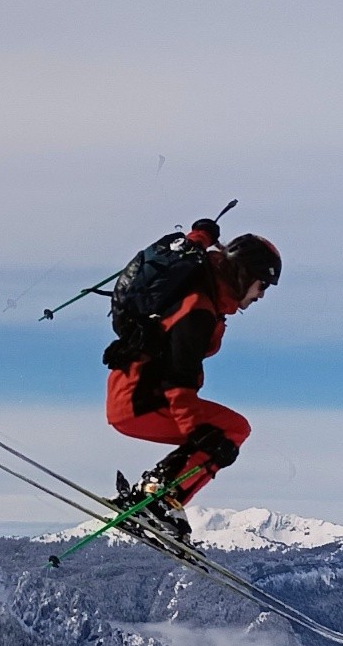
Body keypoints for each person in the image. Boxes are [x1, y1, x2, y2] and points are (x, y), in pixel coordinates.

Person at [104, 225, 281, 541]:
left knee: (226, 432)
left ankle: (157, 497)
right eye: (262, 283)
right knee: (231, 430)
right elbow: (179, 379)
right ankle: (159, 502)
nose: (262, 294)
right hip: (140, 400)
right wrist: (197, 433)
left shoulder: (198, 279)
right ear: (244, 275)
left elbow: (188, 249)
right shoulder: (198, 309)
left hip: (131, 392)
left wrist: (200, 234)